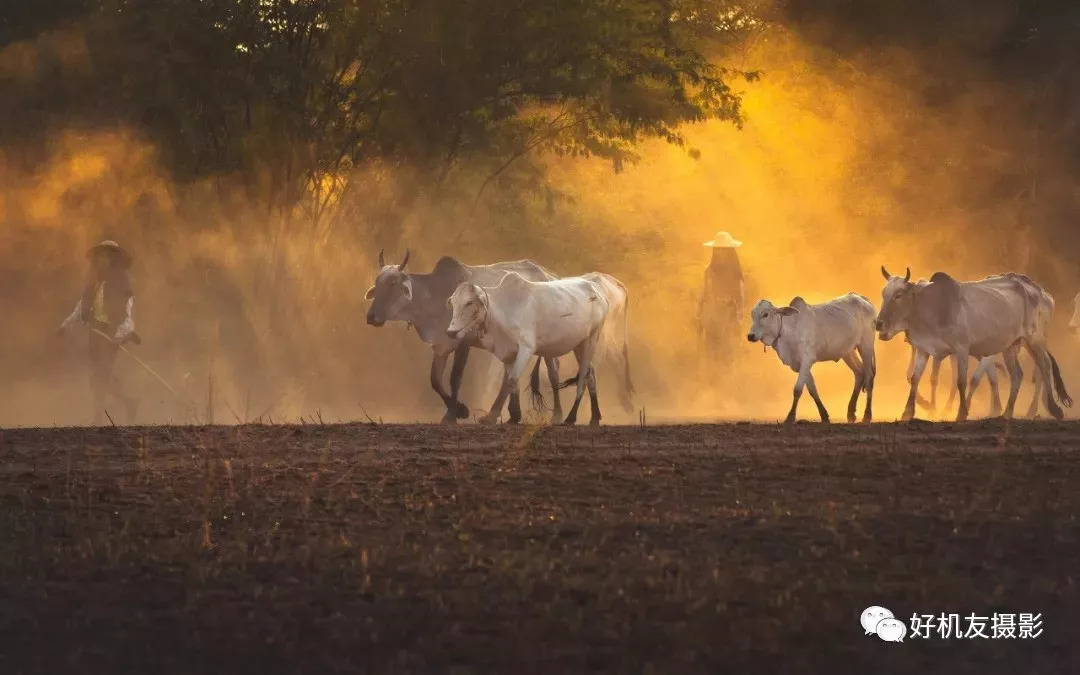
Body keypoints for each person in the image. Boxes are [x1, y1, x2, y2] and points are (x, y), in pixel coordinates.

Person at [57, 240, 140, 424]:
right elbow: (83, 306)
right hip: (94, 333)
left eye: (107, 255)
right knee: (99, 375)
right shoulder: (93, 280)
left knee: (102, 373)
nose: (103, 258)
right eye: (101, 255)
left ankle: (98, 416)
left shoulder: (122, 282)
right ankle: (128, 402)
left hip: (110, 334)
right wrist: (66, 325)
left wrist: (119, 335)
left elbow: (127, 310)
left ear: (114, 259)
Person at [698, 230, 745, 367]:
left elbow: (740, 298)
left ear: (730, 252)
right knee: (711, 357)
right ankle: (712, 385)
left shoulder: (735, 273)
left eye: (724, 250)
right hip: (711, 320)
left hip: (728, 320)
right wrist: (699, 317)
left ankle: (727, 385)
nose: (720, 253)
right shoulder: (709, 271)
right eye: (718, 249)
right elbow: (704, 294)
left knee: (727, 358)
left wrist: (738, 321)